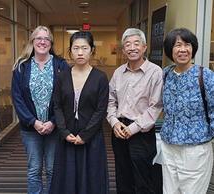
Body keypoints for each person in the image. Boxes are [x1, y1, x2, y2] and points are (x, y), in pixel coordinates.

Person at [11, 25, 69, 194]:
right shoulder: (21, 66)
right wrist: (33, 122)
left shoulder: (61, 65)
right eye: (39, 38)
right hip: (30, 129)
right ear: (32, 41)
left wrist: (53, 122)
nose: (42, 42)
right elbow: (17, 98)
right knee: (34, 170)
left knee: (52, 169)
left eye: (46, 39)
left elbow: (67, 98)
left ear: (51, 43)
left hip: (55, 128)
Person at [49, 31, 109, 194]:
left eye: (84, 48)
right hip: (67, 135)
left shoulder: (100, 77)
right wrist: (63, 131)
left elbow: (100, 110)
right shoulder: (62, 77)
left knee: (91, 178)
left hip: (91, 137)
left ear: (92, 50)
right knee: (66, 178)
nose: (80, 52)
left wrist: (85, 135)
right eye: (76, 48)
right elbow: (57, 106)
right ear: (70, 52)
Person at [107, 28, 163, 194]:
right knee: (123, 178)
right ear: (123, 50)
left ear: (144, 47)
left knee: (143, 179)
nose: (132, 48)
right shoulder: (118, 73)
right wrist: (114, 122)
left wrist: (132, 128)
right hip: (118, 131)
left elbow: (156, 106)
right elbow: (110, 101)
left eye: (136, 44)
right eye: (128, 45)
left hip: (142, 134)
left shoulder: (155, 72)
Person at [161, 28, 214, 194]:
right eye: (178, 45)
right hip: (169, 146)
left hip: (195, 148)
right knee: (170, 191)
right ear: (171, 49)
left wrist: (208, 136)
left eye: (187, 45)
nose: (183, 49)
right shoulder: (167, 73)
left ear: (193, 48)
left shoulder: (205, 75)